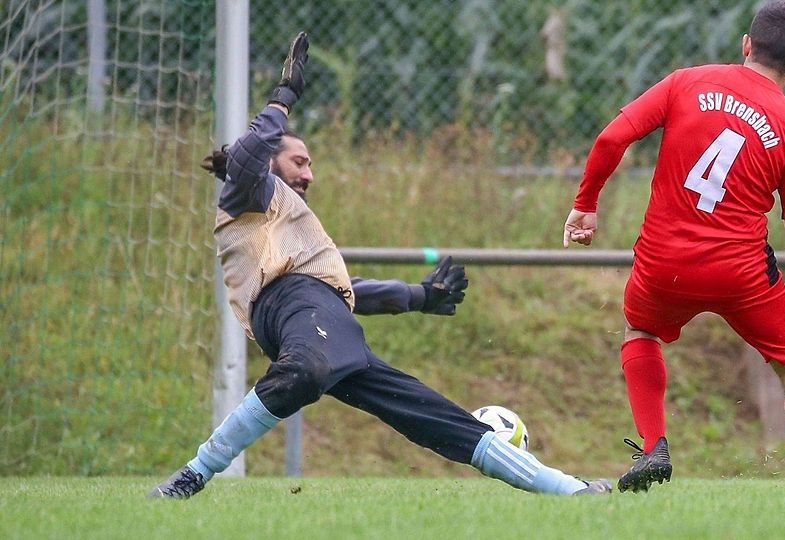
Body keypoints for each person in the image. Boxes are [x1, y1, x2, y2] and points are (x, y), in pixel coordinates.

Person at [149, 32, 610, 499]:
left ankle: (573, 491)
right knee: (303, 372)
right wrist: (283, 97)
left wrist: (421, 296)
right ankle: (194, 474)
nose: (309, 173)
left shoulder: (288, 225)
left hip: (324, 325)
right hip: (296, 316)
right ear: (271, 158)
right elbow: (249, 159)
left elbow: (343, 292)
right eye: (300, 161)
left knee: (447, 425)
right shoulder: (249, 191)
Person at [562, 1, 785, 493]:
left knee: (640, 331)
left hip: (663, 263)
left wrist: (586, 204)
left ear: (746, 45)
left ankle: (654, 448)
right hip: (741, 275)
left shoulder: (687, 82)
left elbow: (611, 139)